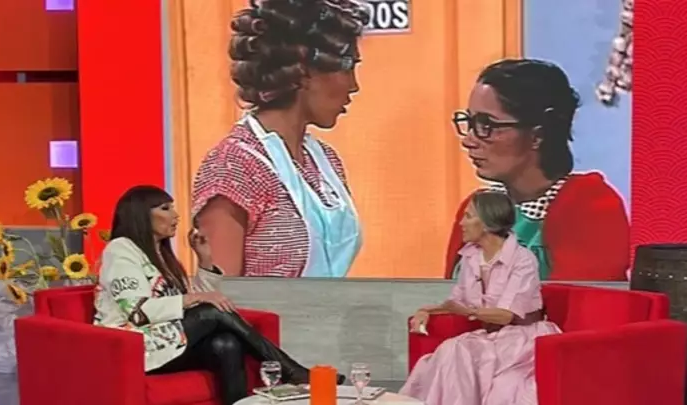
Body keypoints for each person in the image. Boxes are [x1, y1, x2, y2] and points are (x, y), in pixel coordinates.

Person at [93, 186, 342, 405]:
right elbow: (137, 312)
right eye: (165, 209)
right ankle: (291, 371)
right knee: (211, 312)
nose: (176, 216)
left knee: (226, 343)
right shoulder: (121, 249)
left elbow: (189, 301)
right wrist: (194, 300)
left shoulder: (160, 254)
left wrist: (205, 259)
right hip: (134, 346)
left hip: (165, 339)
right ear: (140, 215)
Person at [191, 0, 370, 278]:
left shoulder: (326, 162)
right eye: (348, 68)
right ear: (305, 71)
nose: (354, 86)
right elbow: (217, 294)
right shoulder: (234, 166)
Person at [446, 58, 630, 281]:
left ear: (537, 135)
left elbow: (583, 298)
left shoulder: (590, 206)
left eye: (487, 125)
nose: (468, 140)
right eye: (470, 122)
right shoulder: (477, 208)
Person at [401, 189, 561, 405]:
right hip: (491, 337)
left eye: (468, 216)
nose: (461, 223)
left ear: (486, 223)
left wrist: (468, 312)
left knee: (470, 360)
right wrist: (426, 311)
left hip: (523, 340)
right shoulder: (471, 256)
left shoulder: (523, 259)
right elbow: (457, 302)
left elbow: (506, 315)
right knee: (452, 350)